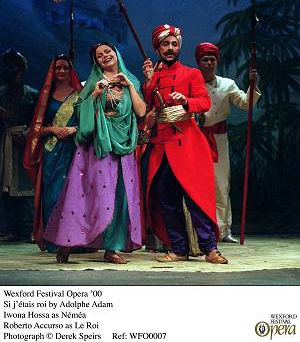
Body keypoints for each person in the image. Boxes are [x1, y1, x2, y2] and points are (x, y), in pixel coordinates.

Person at [44, 42, 146, 264]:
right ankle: (67, 243)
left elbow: (140, 111)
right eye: (99, 56)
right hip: (96, 148)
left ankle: (112, 248)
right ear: (96, 62)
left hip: (124, 148)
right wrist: (95, 95)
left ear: (116, 53)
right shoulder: (92, 83)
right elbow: (80, 114)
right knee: (88, 197)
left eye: (108, 52)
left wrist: (128, 84)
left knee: (119, 198)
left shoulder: (133, 81)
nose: (105, 57)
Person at [142, 24, 228, 264]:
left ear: (179, 47)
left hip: (187, 144)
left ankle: (210, 248)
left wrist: (185, 101)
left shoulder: (191, 73)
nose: (170, 48)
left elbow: (204, 103)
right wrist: (149, 82)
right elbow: (149, 110)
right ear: (157, 48)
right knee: (167, 200)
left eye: (174, 44)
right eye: (165, 44)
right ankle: (179, 248)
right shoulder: (154, 78)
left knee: (195, 197)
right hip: (161, 146)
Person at [195, 42, 261, 242]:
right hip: (196, 137)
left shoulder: (227, 84)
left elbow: (245, 103)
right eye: (205, 59)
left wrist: (253, 85)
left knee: (221, 183)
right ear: (199, 62)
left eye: (212, 59)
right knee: (196, 183)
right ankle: (199, 231)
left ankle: (223, 230)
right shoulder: (192, 82)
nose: (209, 63)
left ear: (217, 61)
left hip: (219, 138)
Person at [23, 55, 82, 252]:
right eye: (58, 68)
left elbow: (88, 124)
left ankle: (74, 242)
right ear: (53, 71)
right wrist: (53, 130)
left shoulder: (79, 95)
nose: (62, 71)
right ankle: (54, 240)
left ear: (70, 70)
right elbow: (36, 128)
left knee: (73, 195)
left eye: (65, 68)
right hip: (51, 150)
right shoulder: (45, 96)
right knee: (52, 195)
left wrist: (73, 130)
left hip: (73, 150)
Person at [0, 49, 39, 243]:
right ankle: (11, 228)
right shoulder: (1, 93)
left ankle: (29, 228)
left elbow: (39, 121)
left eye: (12, 65)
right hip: (5, 143)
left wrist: (25, 135)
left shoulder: (32, 94)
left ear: (21, 68)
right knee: (6, 186)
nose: (9, 69)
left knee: (26, 186)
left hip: (25, 144)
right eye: (6, 64)